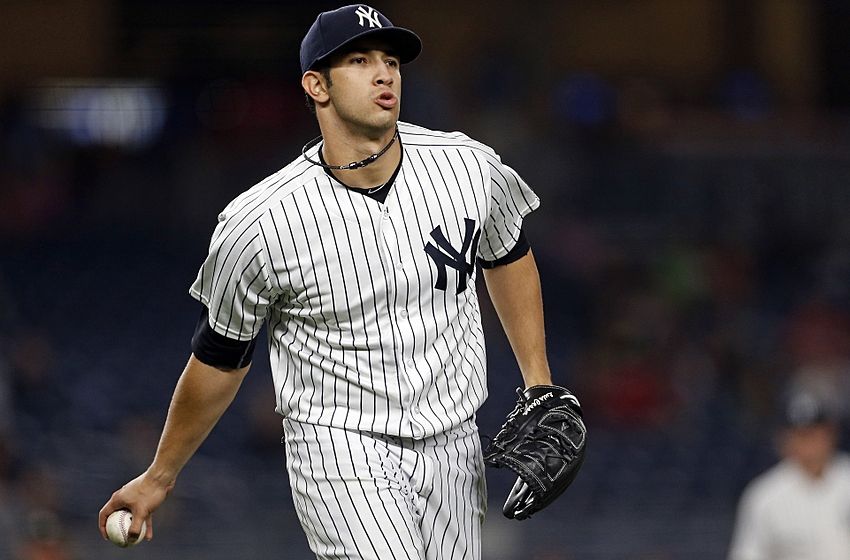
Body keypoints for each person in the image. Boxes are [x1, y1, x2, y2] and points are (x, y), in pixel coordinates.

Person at [99, 5, 575, 559]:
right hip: (338, 447)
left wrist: (539, 383)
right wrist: (161, 474)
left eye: (391, 60)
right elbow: (220, 358)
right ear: (316, 86)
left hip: (454, 441)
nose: (384, 73)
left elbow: (508, 252)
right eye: (359, 60)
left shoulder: (467, 168)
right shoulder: (261, 220)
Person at [728, 390, 850, 560]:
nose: (810, 443)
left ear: (831, 433)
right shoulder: (765, 495)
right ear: (785, 439)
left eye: (815, 432)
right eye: (801, 435)